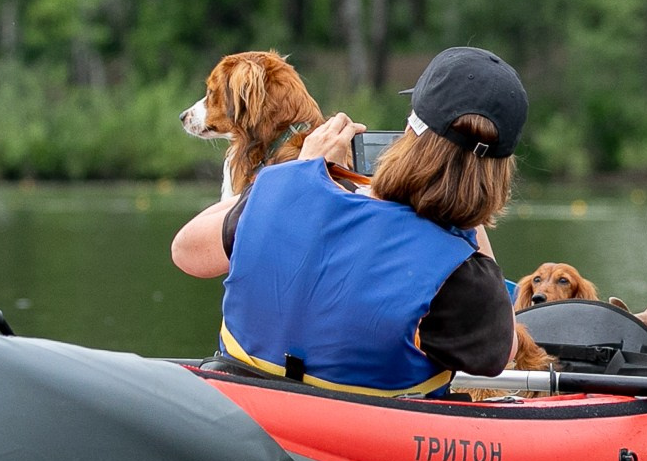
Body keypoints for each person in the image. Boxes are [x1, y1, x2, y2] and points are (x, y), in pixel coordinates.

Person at [170, 46, 526, 394]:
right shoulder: (462, 272)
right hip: (372, 426)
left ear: (409, 133)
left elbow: (186, 251)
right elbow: (502, 351)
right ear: (499, 174)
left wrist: (300, 173)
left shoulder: (279, 193)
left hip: (249, 409)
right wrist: (469, 219)